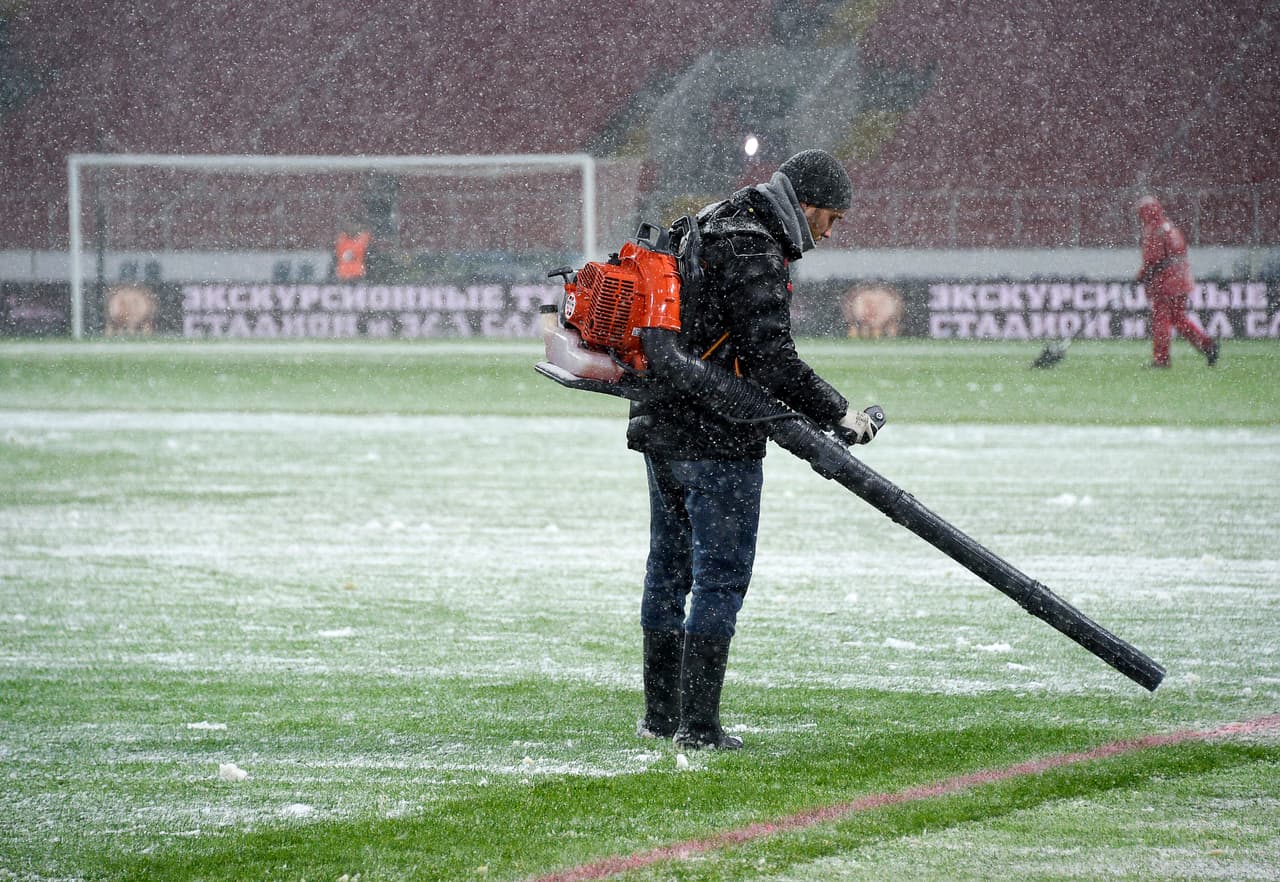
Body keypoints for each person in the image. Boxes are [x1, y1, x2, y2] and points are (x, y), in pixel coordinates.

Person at [627, 149, 880, 750]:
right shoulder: (756, 245)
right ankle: (699, 726)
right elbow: (772, 360)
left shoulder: (715, 219)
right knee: (720, 578)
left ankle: (661, 717)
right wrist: (839, 411)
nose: (829, 231)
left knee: (667, 572)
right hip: (718, 438)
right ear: (809, 205)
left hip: (661, 425)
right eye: (832, 218)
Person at [1136, 195, 1218, 368]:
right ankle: (1207, 344)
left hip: (1165, 284)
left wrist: (1141, 277)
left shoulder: (1154, 231)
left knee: (1161, 321)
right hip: (1181, 281)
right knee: (1179, 319)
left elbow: (1153, 260)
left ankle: (1162, 359)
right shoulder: (1170, 228)